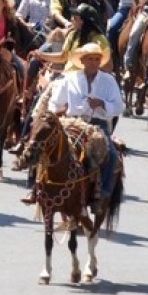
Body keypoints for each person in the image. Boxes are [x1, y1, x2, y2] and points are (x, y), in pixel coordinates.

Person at [46, 43, 124, 213]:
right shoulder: (70, 79)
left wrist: (102, 103)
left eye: (97, 59)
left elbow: (119, 106)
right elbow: (54, 103)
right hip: (73, 122)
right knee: (47, 146)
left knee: (111, 154)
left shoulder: (108, 80)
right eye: (90, 59)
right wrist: (59, 111)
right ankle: (40, 187)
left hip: (98, 123)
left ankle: (102, 192)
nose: (94, 62)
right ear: (82, 60)